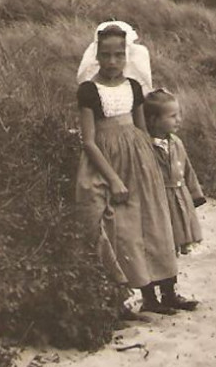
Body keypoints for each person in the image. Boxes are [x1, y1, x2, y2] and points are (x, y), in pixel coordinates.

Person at [73, 21, 179, 320]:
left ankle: (156, 295)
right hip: (107, 163)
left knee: (151, 223)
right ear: (96, 55)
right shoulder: (89, 91)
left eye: (119, 55)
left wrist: (153, 162)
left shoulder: (133, 87)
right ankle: (119, 298)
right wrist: (114, 179)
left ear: (127, 56)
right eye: (106, 55)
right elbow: (89, 142)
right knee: (120, 230)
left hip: (138, 160)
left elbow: (142, 130)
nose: (112, 62)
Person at [143, 89, 202, 310]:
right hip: (156, 203)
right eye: (172, 116)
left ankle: (169, 294)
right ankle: (149, 298)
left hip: (177, 200)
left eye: (178, 114)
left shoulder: (175, 142)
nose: (179, 120)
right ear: (153, 120)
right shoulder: (145, 145)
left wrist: (194, 196)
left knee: (171, 249)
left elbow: (187, 170)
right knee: (154, 249)